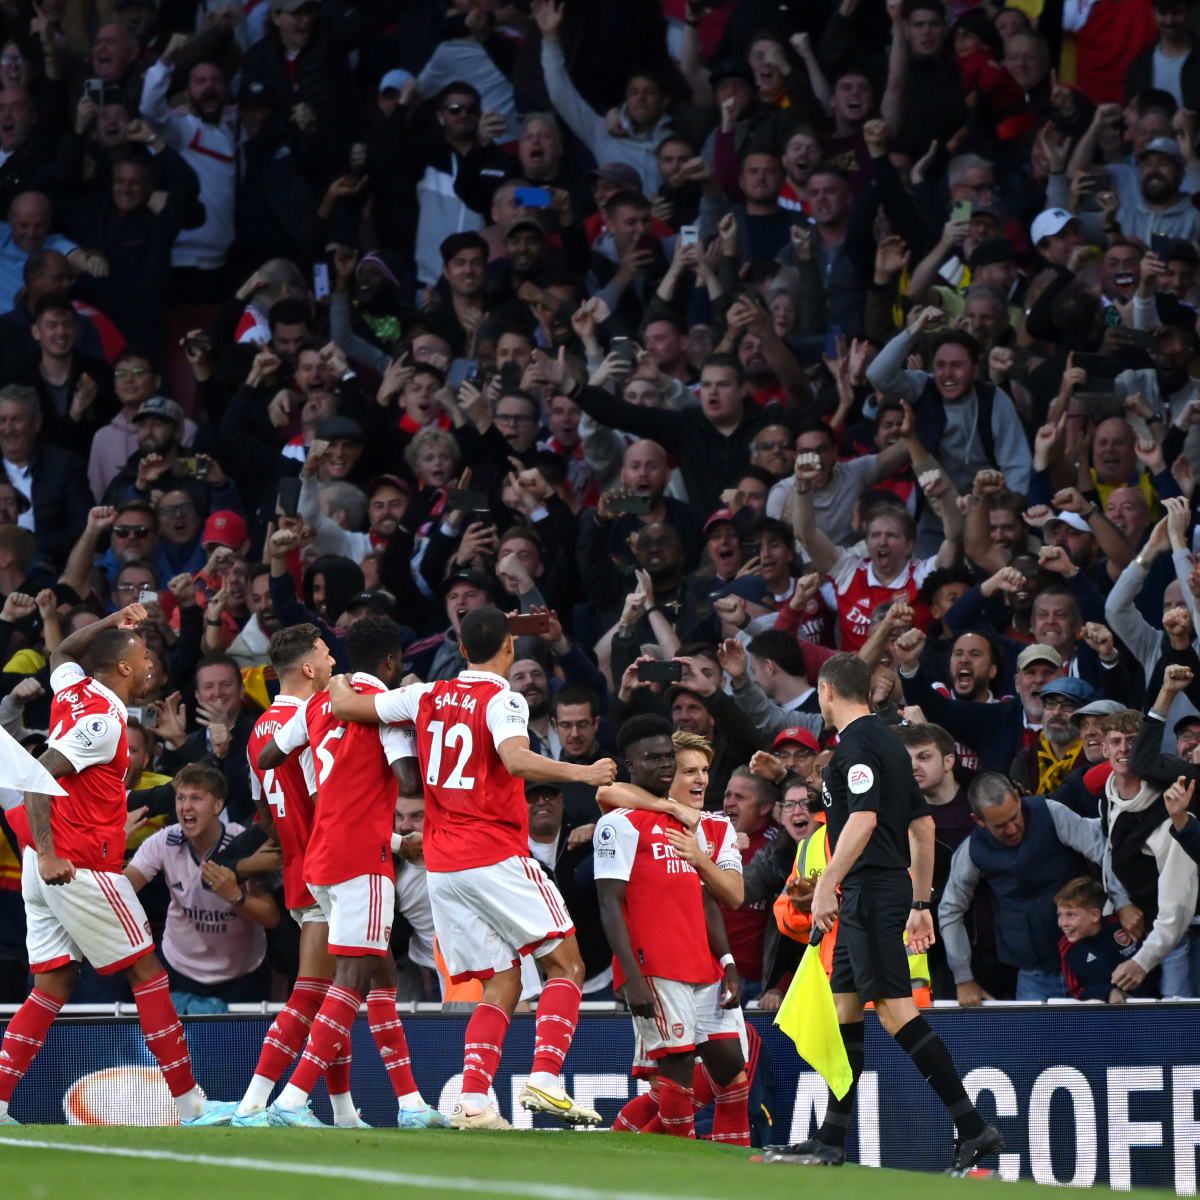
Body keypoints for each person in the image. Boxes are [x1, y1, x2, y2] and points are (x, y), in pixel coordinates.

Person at [328, 604, 618, 1129]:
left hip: (442, 865)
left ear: (461, 650)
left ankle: (475, 1099)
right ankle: (547, 1078)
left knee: (501, 980)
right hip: (494, 854)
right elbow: (516, 760)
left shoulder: (426, 695)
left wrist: (337, 681)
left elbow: (350, 706)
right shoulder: (503, 700)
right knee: (567, 964)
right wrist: (585, 771)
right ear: (510, 648)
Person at [761, 653, 1002, 1172]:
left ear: (826, 691)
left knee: (895, 1012)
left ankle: (974, 1129)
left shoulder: (859, 745)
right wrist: (920, 903)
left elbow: (864, 820)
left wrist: (827, 883)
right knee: (845, 1009)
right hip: (878, 894)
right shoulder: (889, 744)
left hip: (869, 891)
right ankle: (831, 1139)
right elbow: (924, 827)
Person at [0, 603, 227, 1126]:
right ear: (124, 668)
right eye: (145, 656)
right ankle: (191, 1103)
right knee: (148, 973)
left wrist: (112, 621)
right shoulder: (103, 722)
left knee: (52, 985)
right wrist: (54, 850)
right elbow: (41, 773)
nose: (152, 665)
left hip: (44, 864)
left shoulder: (75, 691)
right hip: (76, 865)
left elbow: (62, 651)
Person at [253, 616, 444, 1129]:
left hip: (320, 857)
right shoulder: (376, 703)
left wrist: (325, 751)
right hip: (362, 857)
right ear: (390, 662)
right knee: (352, 978)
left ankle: (410, 1104)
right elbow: (405, 780)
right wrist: (404, 726)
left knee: (379, 976)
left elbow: (271, 755)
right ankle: (293, 1100)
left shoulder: (318, 702)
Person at [231, 623, 369, 1127]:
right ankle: (254, 1103)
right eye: (328, 656)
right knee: (315, 990)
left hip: (296, 865)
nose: (334, 663)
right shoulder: (317, 720)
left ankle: (343, 1111)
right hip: (328, 865)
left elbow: (264, 812)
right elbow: (328, 797)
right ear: (309, 667)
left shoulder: (258, 730)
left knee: (335, 992)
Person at [595, 716, 749, 1143]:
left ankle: (734, 1177)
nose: (697, 778)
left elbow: (715, 899)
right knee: (675, 1079)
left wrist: (727, 962)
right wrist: (630, 976)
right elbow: (609, 900)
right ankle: (675, 1168)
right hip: (656, 968)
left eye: (703, 770)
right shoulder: (623, 820)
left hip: (704, 968)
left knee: (732, 1075)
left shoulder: (705, 826)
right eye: (686, 769)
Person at [125, 761, 279, 1009]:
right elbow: (122, 889)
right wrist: (114, 845)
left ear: (218, 805)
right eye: (180, 798)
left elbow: (271, 917)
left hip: (242, 977)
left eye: (196, 798)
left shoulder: (243, 841)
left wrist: (236, 897)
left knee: (242, 1048)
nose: (185, 806)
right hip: (179, 969)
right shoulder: (165, 841)